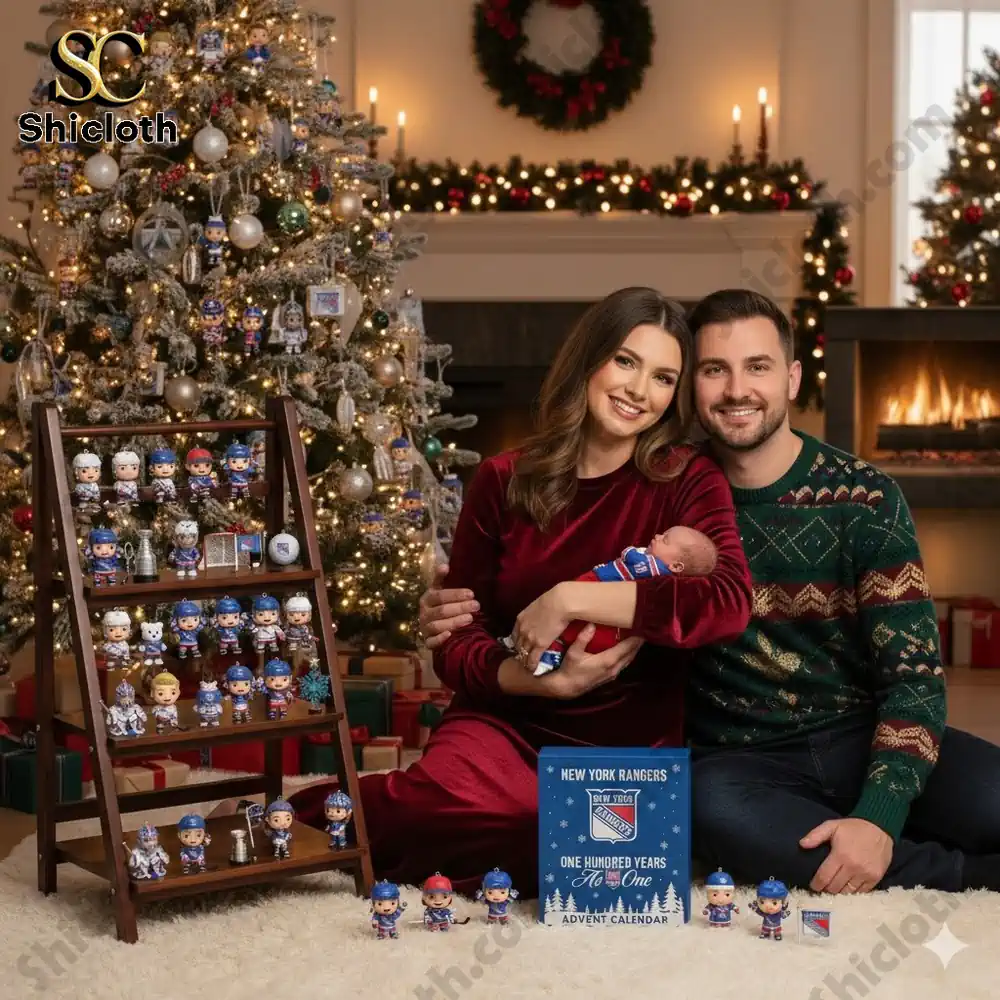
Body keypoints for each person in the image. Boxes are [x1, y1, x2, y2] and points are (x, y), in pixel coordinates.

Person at [422, 288, 1000, 896]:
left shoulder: (865, 497)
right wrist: (448, 603)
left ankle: (887, 845)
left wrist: (879, 816)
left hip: (859, 734)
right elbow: (555, 562)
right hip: (736, 761)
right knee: (710, 816)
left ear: (792, 377)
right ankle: (965, 874)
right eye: (713, 370)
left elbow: (914, 681)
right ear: (690, 389)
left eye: (758, 367)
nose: (735, 390)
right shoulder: (662, 483)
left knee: (990, 803)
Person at [287, 287, 752, 893]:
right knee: (438, 803)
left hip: (624, 740)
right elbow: (454, 644)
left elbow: (727, 603)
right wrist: (530, 680)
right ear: (588, 359)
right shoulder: (504, 479)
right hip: (503, 719)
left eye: (664, 378)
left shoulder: (686, 477)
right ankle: (298, 816)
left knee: (556, 832)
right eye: (626, 361)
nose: (640, 391)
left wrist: (569, 597)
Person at [509, 524, 718, 675]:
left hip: (598, 595)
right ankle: (540, 650)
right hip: (597, 594)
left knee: (570, 628)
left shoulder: (655, 569)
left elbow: (630, 557)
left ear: (677, 567)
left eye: (665, 540)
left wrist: (631, 551)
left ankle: (548, 654)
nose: (657, 535)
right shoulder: (659, 571)